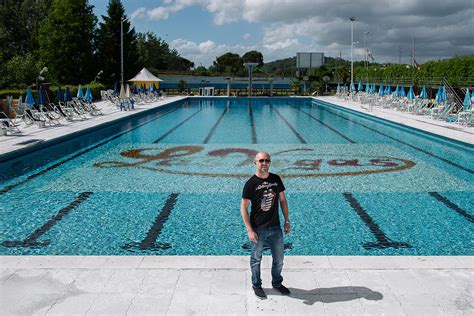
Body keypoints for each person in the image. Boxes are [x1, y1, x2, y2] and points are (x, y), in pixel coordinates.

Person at [241, 151, 291, 299]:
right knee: (256, 259)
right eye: (261, 160)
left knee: (279, 260)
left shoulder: (276, 179)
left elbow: (282, 200)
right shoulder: (251, 183)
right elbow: (243, 207)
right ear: (255, 163)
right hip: (258, 228)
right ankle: (256, 285)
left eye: (267, 160)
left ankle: (277, 283)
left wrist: (287, 220)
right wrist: (249, 229)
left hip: (275, 227)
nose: (264, 163)